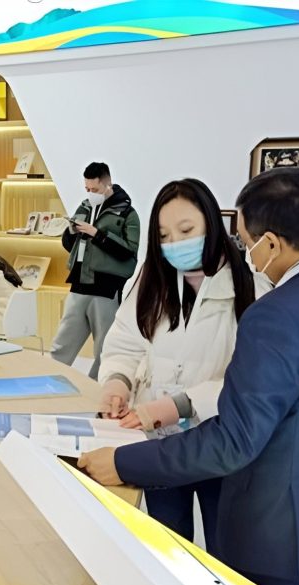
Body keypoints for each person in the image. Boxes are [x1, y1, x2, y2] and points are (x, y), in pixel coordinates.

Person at [80, 168, 299, 585]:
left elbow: (235, 440)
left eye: (248, 241)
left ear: (270, 243)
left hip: (285, 543)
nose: (249, 254)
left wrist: (123, 463)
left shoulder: (275, 311)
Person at [97, 178, 255, 550]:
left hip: (218, 443)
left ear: (211, 224)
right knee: (167, 543)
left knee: (225, 548)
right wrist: (117, 382)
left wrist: (181, 405)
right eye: (164, 236)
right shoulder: (151, 280)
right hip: (159, 442)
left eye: (186, 231)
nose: (175, 244)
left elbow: (250, 378)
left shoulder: (250, 286)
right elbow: (125, 343)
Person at [50, 162, 139, 379]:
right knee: (62, 343)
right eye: (87, 189)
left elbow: (128, 253)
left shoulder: (127, 213)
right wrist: (71, 232)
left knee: (104, 348)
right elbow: (69, 245)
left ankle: (97, 389)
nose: (90, 193)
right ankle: (48, 381)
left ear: (108, 184)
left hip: (106, 291)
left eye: (95, 189)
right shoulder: (84, 207)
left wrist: (96, 234)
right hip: (79, 285)